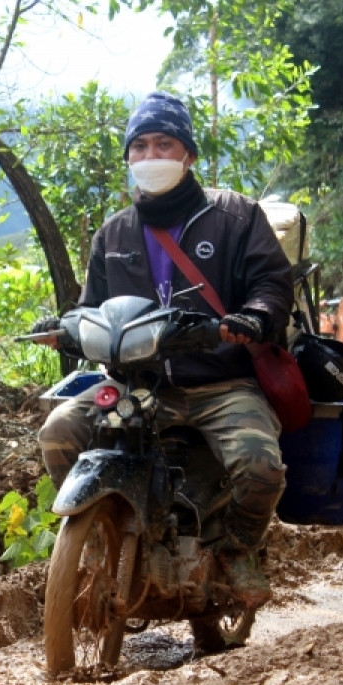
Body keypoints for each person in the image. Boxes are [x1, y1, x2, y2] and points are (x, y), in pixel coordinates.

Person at [31, 91, 294, 610]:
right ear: (128, 157)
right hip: (134, 385)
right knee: (58, 433)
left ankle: (239, 548)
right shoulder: (113, 233)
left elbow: (271, 284)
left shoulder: (236, 216)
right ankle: (100, 531)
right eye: (141, 146)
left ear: (188, 154)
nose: (152, 156)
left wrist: (254, 317)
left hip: (220, 383)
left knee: (260, 465)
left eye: (165, 144)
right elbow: (93, 309)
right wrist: (64, 327)